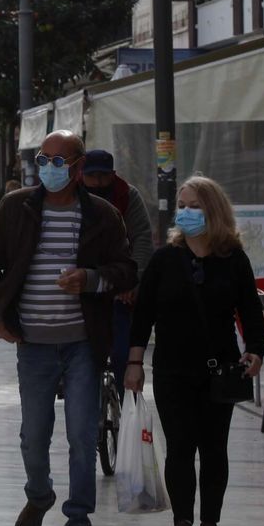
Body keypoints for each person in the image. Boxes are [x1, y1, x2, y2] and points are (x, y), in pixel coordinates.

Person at [0, 129, 136, 526]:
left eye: (58, 161)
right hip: (34, 343)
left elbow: (126, 269)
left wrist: (91, 279)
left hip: (83, 342)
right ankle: (39, 495)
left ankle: (78, 525)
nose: (48, 168)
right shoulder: (17, 207)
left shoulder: (101, 215)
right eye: (43, 159)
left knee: (83, 435)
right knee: (34, 435)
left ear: (78, 168)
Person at [125, 175, 264, 526]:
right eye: (182, 206)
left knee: (214, 448)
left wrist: (255, 350)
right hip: (172, 370)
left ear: (213, 211)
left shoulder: (233, 260)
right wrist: (134, 362)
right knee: (180, 447)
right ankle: (183, 524)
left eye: (194, 206)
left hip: (220, 370)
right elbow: (143, 315)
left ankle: (210, 525)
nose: (185, 213)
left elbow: (250, 309)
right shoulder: (164, 260)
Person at [79, 149, 154, 393]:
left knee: (123, 353)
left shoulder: (127, 195)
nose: (98, 182)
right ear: (81, 175)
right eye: (92, 176)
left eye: (103, 176)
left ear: (113, 174)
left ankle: (126, 401)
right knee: (82, 358)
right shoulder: (71, 195)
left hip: (121, 285)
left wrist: (133, 280)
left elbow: (142, 238)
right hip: (84, 286)